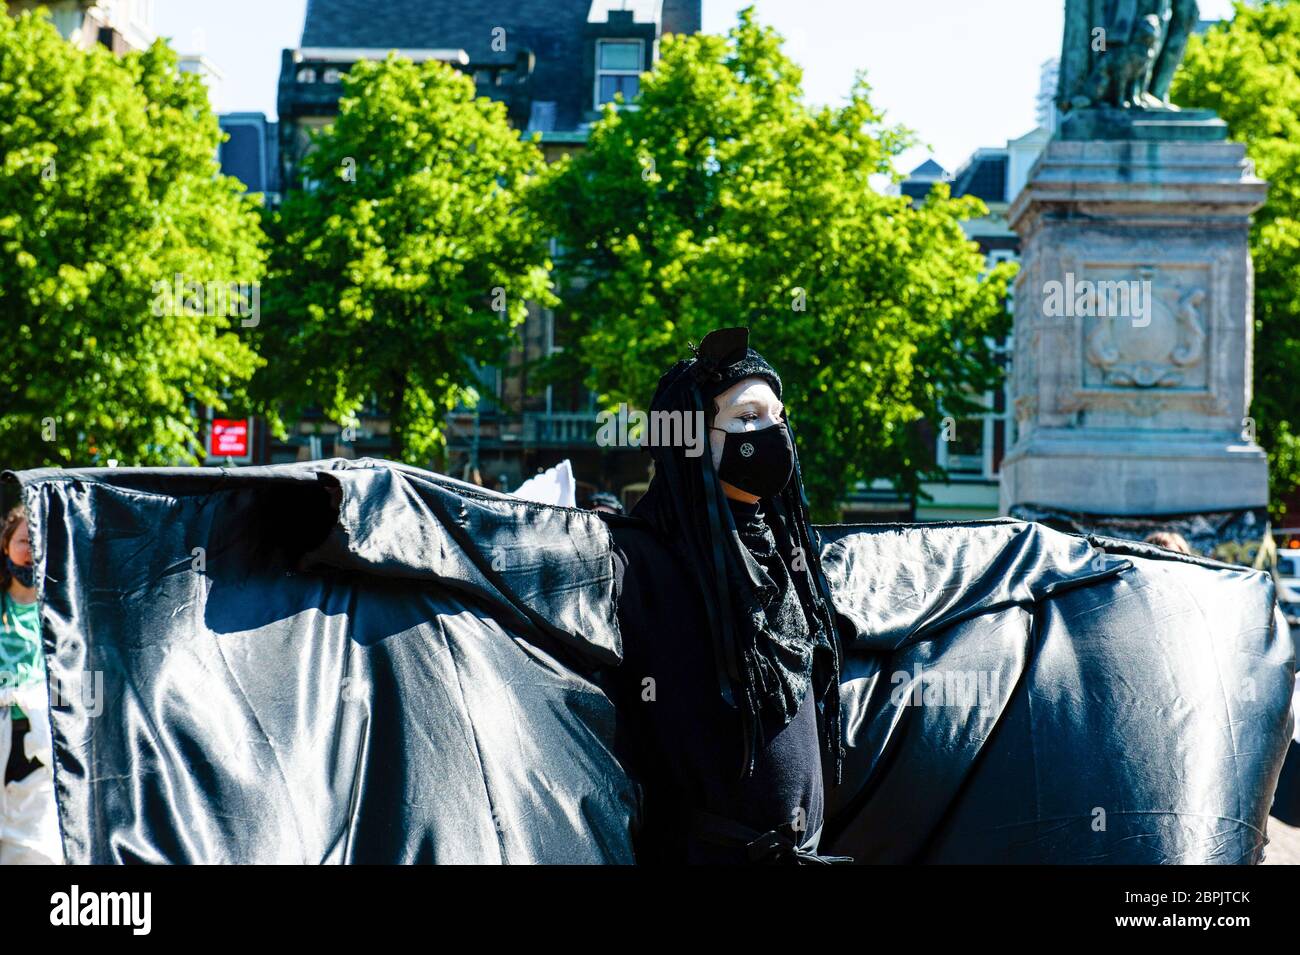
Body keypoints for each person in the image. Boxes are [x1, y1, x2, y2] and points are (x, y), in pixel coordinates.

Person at [603, 326, 851, 864]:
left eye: (778, 418)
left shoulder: (793, 557)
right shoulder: (633, 560)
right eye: (746, 419)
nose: (773, 434)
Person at [0, 505, 61, 864]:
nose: (31, 550)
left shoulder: (62, 614)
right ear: (5, 544)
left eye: (39, 541)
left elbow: (90, 689)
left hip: (36, 754)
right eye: (24, 540)